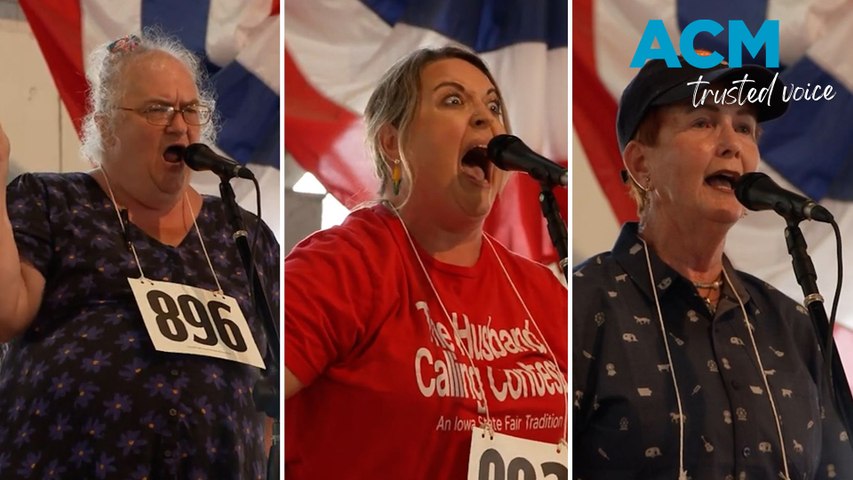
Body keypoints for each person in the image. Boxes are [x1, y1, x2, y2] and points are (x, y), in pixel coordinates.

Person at [0, 32, 279, 479]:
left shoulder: (245, 234)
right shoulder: (52, 202)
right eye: (157, 109)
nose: (178, 124)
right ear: (106, 124)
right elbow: (5, 314)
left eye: (189, 109)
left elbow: (266, 388)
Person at [284, 45, 569, 478]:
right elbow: (239, 399)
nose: (485, 118)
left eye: (493, 106)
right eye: (453, 100)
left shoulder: (541, 291)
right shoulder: (344, 264)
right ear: (392, 142)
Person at [573, 55, 853, 479]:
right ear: (641, 163)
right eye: (703, 122)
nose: (731, 143)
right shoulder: (579, 305)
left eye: (744, 127)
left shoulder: (793, 327)